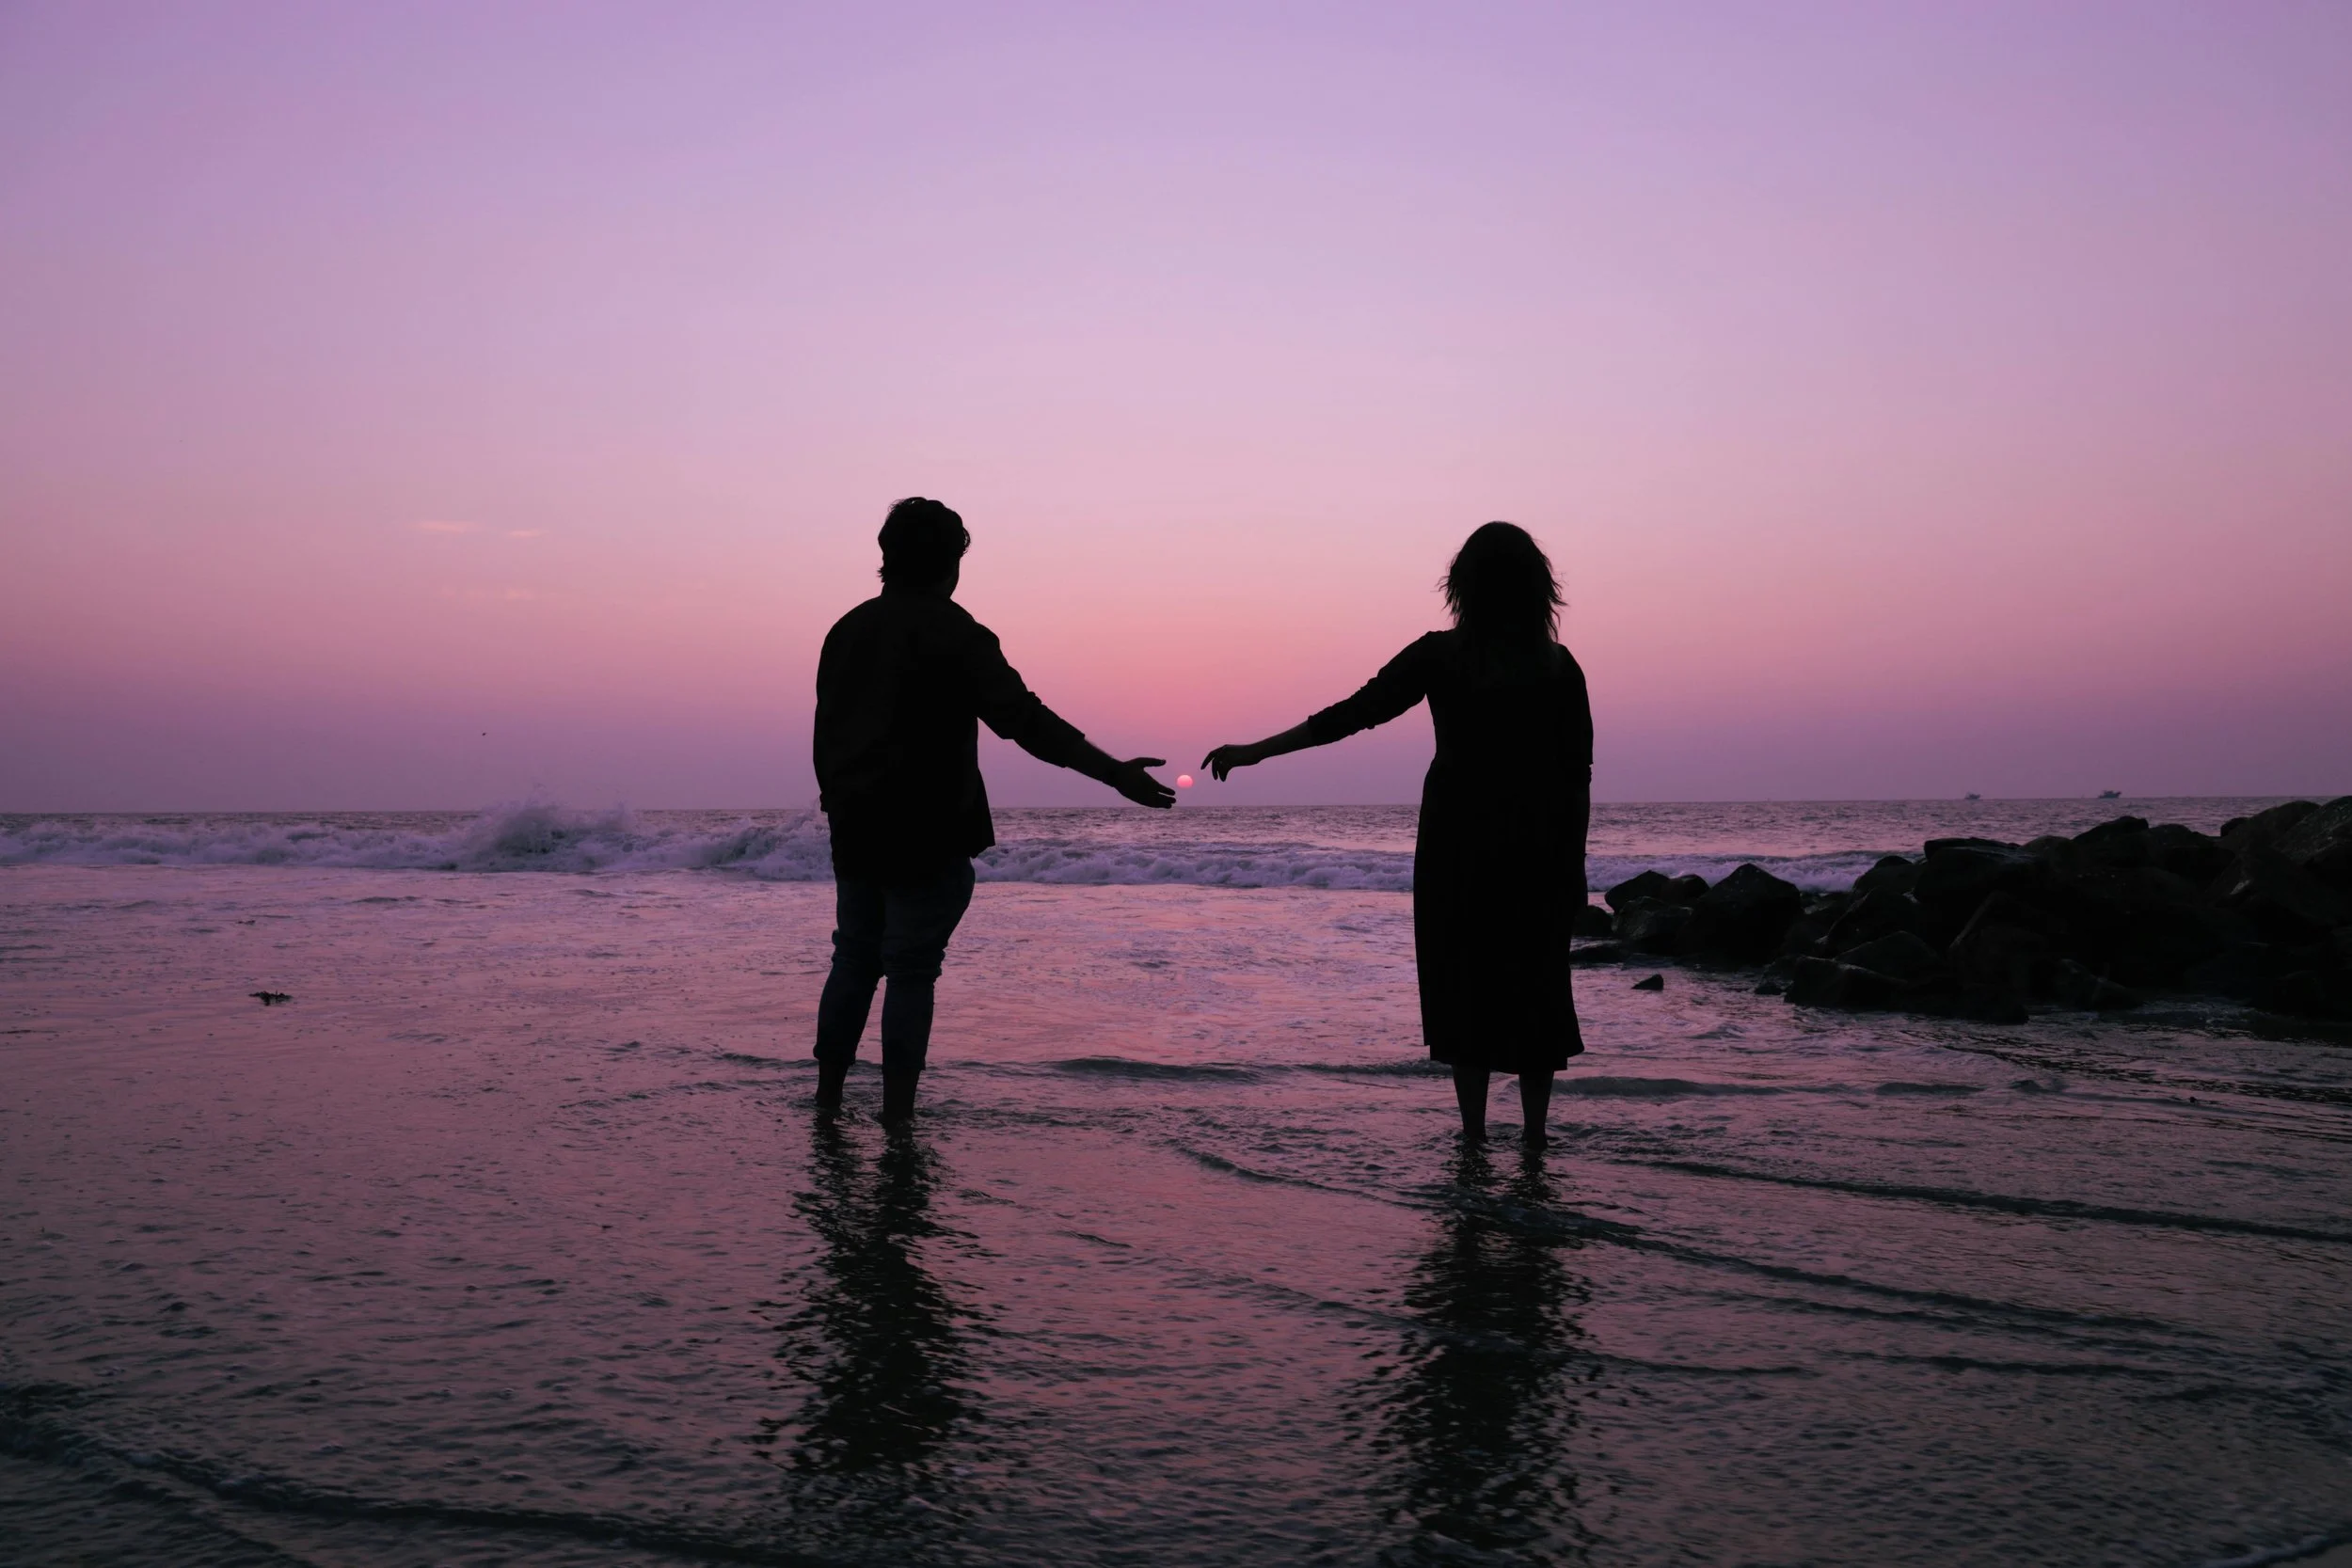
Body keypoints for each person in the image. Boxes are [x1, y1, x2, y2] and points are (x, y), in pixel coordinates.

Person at [1204, 523, 1592, 1145]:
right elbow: (1576, 779)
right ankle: (1534, 1139)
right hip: (1537, 848)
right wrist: (1573, 869)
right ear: (1536, 587)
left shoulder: (1443, 655)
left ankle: (1473, 1138)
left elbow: (1351, 715)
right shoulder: (1558, 666)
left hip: (1457, 846)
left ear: (1462, 585)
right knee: (1536, 986)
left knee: (1465, 986)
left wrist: (1257, 751)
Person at [813, 498, 1174, 1123]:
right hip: (929, 829)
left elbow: (827, 735)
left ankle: (827, 1102)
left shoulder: (846, 630)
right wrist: (1114, 772)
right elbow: (1025, 721)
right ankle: (898, 1117)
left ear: (886, 557)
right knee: (911, 969)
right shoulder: (956, 632)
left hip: (856, 826)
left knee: (855, 959)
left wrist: (839, 805)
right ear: (952, 563)